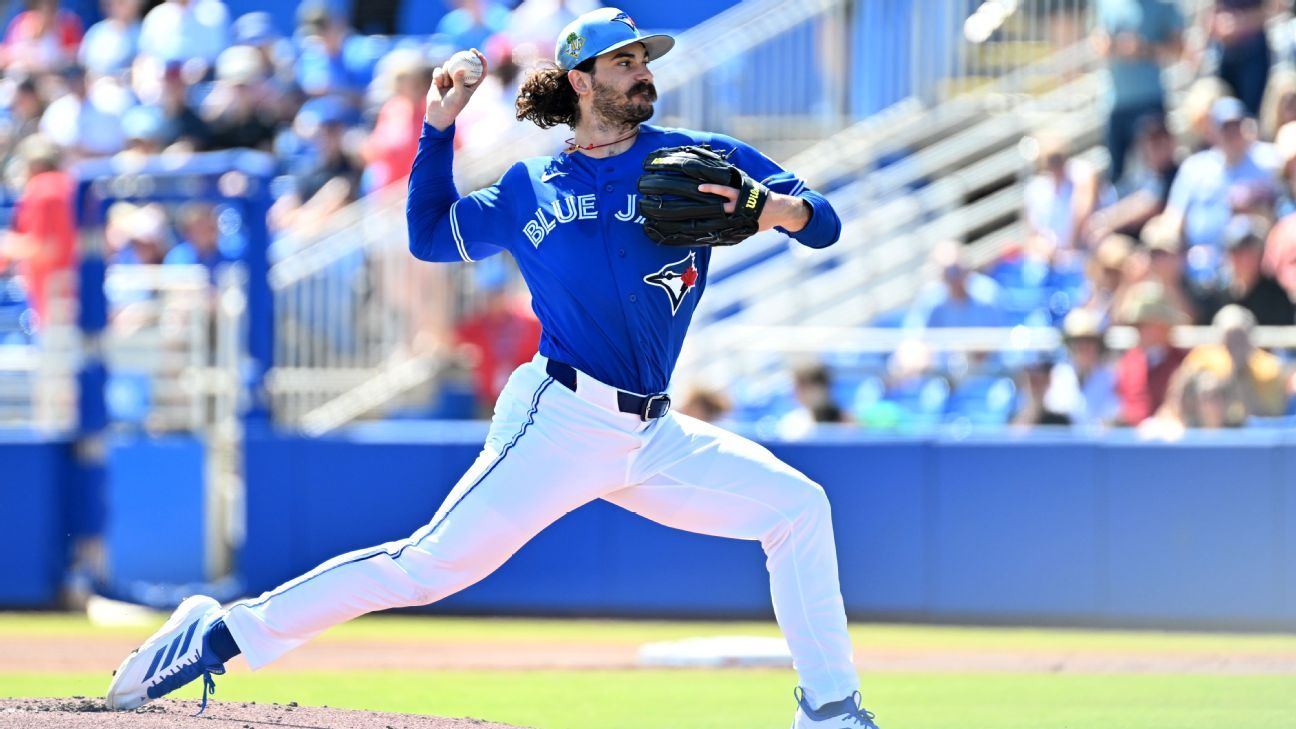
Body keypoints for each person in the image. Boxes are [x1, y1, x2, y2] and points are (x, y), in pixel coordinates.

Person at [105, 9, 878, 728]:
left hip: (653, 432)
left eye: (646, 59)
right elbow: (430, 236)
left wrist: (774, 208)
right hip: (562, 417)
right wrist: (437, 130)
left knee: (798, 507)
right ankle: (220, 632)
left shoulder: (702, 159)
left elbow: (826, 221)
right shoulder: (529, 186)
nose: (644, 71)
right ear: (582, 80)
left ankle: (831, 708)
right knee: (424, 568)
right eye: (625, 61)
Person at [1164, 96, 1279, 251]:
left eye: (1236, 126)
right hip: (1200, 258)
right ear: (1213, 132)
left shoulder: (1269, 161)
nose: (1232, 133)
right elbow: (1173, 217)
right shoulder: (1194, 168)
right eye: (1226, 128)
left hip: (1251, 257)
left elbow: (1282, 210)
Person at [1091, 0, 1184, 184]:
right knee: (1116, 174)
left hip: (1150, 100)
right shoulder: (1108, 3)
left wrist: (1142, 49)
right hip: (1116, 102)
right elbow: (1098, 44)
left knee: (1160, 172)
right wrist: (1115, 46)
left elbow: (1178, 48)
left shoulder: (1164, 4)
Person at [0, 134, 75, 325]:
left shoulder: (42, 189)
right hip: (74, 289)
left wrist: (6, 244)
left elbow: (45, 247)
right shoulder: (70, 185)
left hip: (56, 296)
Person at [453, 264, 543, 414]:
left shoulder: (531, 322)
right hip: (490, 404)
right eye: (488, 295)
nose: (493, 300)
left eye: (497, 293)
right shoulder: (477, 325)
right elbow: (448, 338)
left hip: (526, 403)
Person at [1178, 304, 1288, 418]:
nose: (1235, 345)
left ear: (1251, 340)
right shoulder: (1201, 361)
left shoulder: (1269, 368)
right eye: (1229, 338)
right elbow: (1178, 405)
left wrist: (1241, 374)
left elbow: (1272, 417)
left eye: (1240, 338)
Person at [1114, 280, 1188, 425]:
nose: (1139, 331)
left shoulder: (1183, 364)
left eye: (1144, 324)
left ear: (1163, 326)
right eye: (1138, 325)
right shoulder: (1129, 362)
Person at [1042, 308, 1121, 427]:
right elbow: (1055, 414)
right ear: (1071, 346)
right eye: (1078, 343)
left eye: (1089, 343)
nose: (1084, 349)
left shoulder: (1110, 378)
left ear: (1098, 346)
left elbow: (1112, 416)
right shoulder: (1059, 375)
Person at [1214, 214, 1296, 325]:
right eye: (1234, 251)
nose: (1240, 258)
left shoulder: (1277, 294)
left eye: (1247, 251)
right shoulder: (1220, 292)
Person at [905, 239, 1006, 329]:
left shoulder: (987, 292)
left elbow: (1001, 337)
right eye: (948, 271)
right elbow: (914, 338)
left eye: (956, 270)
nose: (953, 277)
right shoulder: (930, 297)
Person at [79, 0, 143, 77]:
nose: (115, 8)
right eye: (110, 4)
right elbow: (83, 65)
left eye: (121, 3)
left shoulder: (142, 32)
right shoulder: (96, 31)